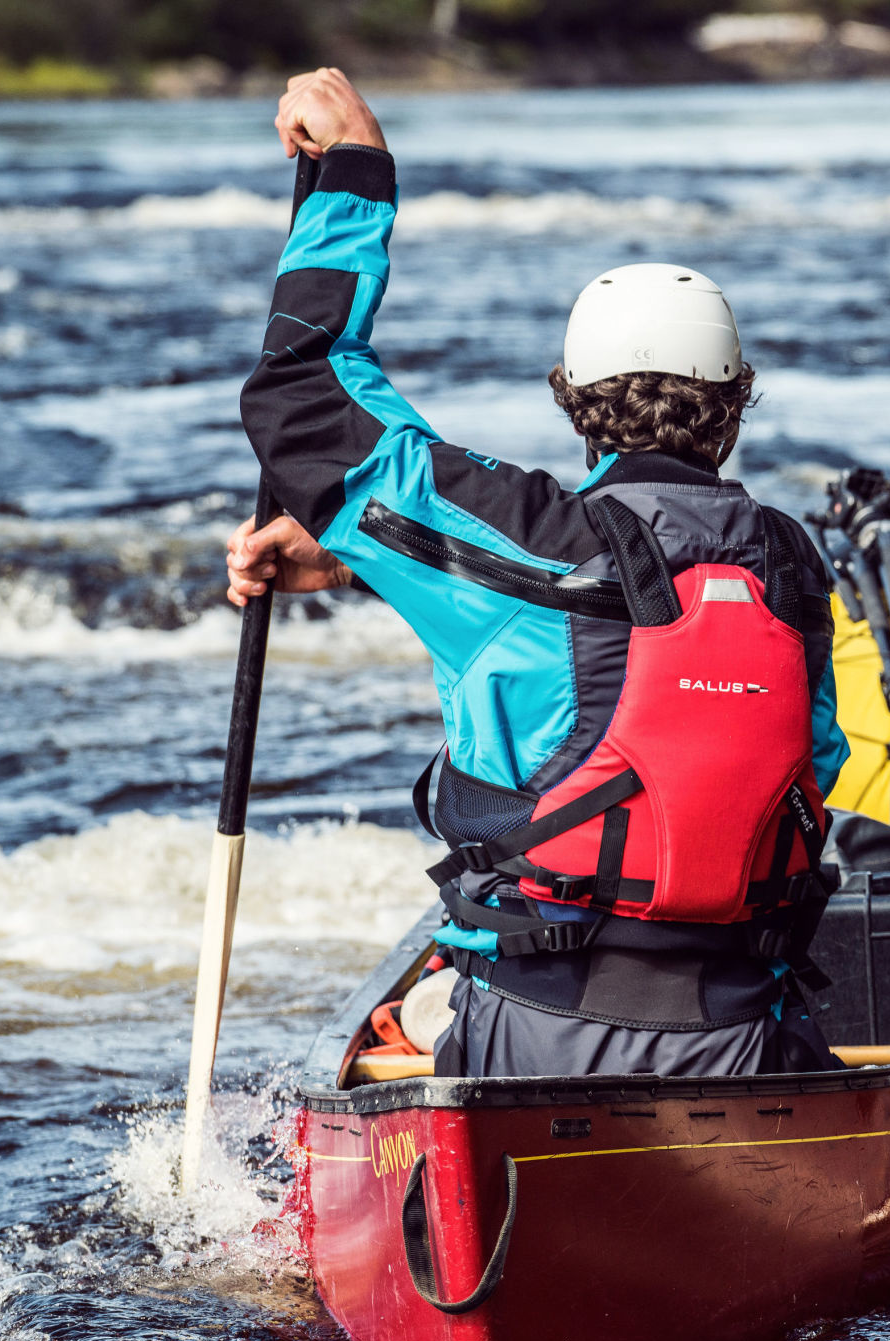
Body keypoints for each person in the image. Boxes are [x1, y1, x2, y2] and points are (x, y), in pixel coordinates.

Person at [229, 68, 849, 1079]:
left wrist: (355, 173)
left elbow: (303, 396)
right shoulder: (789, 568)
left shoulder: (530, 541)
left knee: (431, 1000)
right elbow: (802, 764)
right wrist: (353, 567)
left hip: (529, 1036)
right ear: (734, 405)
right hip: (747, 1039)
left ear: (572, 402)